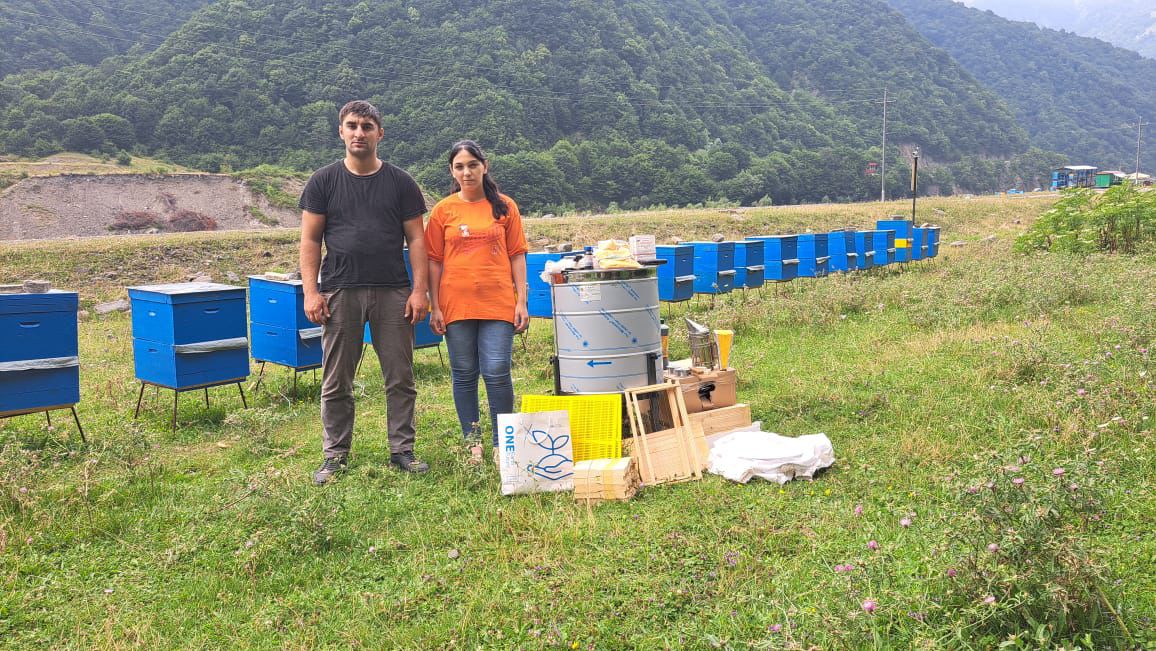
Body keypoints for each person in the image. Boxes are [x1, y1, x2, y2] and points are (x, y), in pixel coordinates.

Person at [299, 100, 431, 484]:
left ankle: (402, 449)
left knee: (400, 376)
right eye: (353, 125)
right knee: (336, 379)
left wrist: (419, 291)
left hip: (393, 290)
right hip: (340, 290)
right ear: (341, 131)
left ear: (380, 134)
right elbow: (310, 240)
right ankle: (335, 454)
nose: (359, 132)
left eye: (367, 126)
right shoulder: (323, 181)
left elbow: (417, 241)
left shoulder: (401, 183)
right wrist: (311, 292)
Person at [426, 140, 529, 464]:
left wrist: (521, 300)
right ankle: (474, 443)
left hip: (498, 302)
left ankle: (503, 443)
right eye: (460, 166)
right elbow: (434, 261)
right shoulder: (443, 210)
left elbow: (517, 255)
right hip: (456, 304)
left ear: (484, 166)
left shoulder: (505, 207)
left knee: (497, 370)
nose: (467, 171)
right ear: (452, 172)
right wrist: (435, 305)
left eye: (472, 164)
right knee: (464, 372)